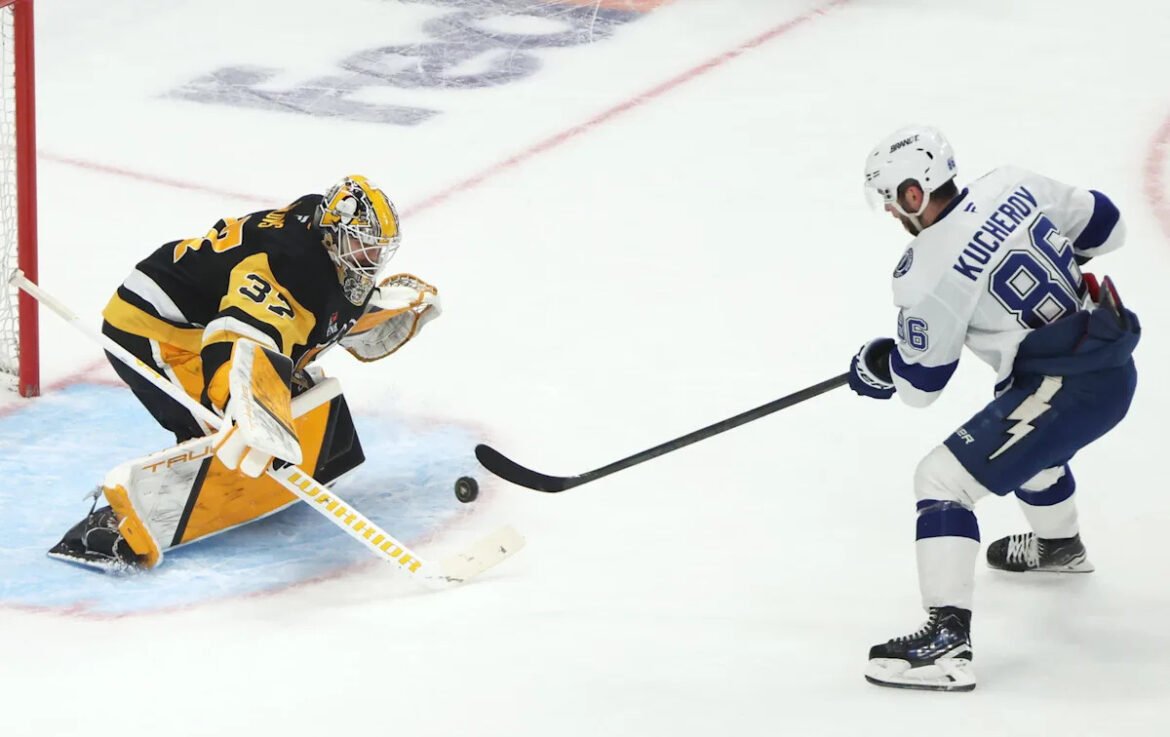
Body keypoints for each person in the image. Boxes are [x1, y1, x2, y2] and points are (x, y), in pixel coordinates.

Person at [850, 126, 1139, 692]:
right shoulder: (1012, 183)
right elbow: (1109, 225)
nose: (890, 212)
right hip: (1107, 358)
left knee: (940, 480)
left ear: (914, 193)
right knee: (1025, 440)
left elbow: (921, 384)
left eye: (891, 199)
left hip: (1070, 387)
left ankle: (945, 642)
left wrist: (880, 364)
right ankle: (1059, 547)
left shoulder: (925, 269)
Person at [49, 175, 442, 572]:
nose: (371, 258)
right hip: (154, 326)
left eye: (377, 249)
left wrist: (377, 310)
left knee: (284, 390)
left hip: (203, 315)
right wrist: (241, 406)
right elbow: (233, 337)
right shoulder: (289, 266)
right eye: (362, 245)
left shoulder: (318, 239)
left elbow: (312, 320)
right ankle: (119, 528)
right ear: (332, 233)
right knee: (222, 428)